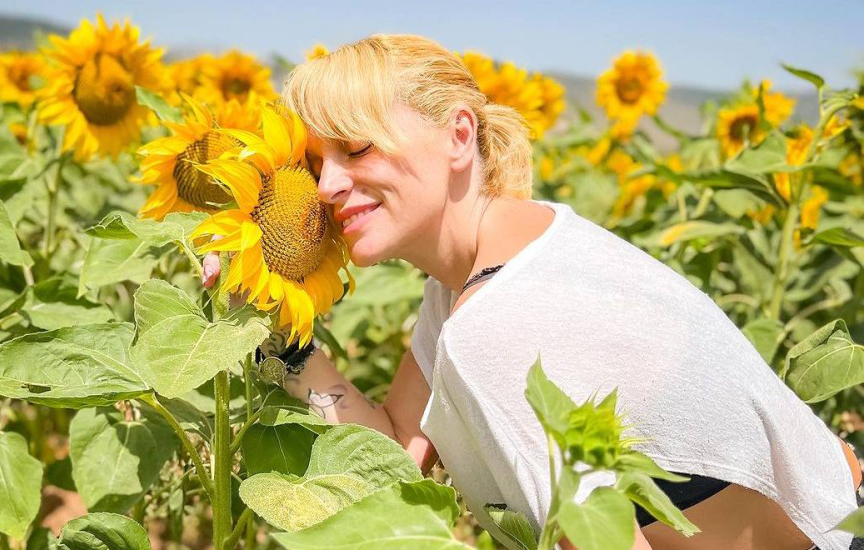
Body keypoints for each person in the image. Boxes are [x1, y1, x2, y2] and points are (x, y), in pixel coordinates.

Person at [201, 34, 862, 550]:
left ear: (460, 136)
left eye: (357, 148)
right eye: (319, 163)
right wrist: (274, 331)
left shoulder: (498, 321)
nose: (324, 188)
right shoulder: (504, 258)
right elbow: (395, 453)